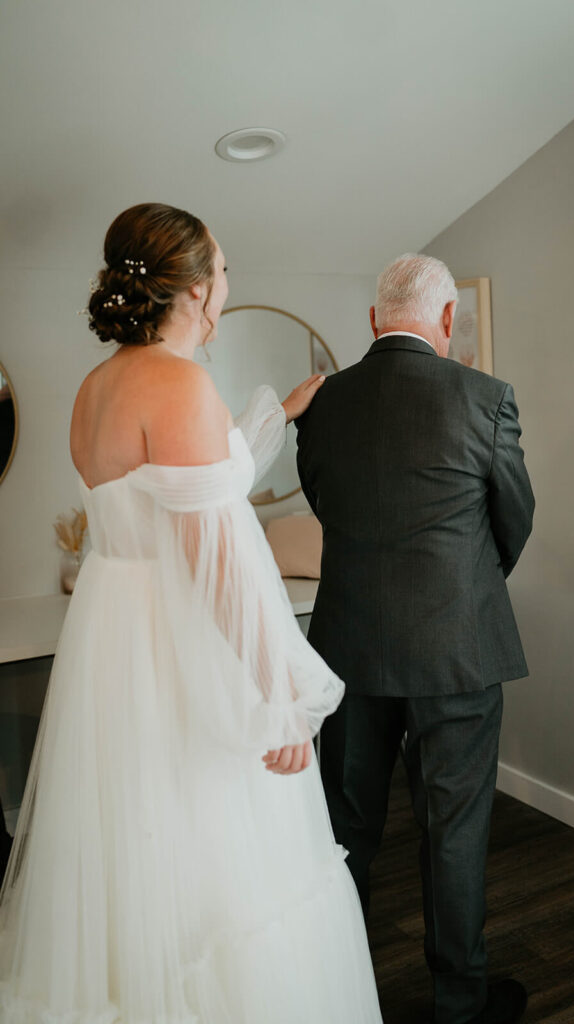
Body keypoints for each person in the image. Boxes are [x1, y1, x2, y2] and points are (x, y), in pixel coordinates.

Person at [0, 203, 382, 1023]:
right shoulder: (177, 384)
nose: (227, 283)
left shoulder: (96, 386)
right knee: (219, 853)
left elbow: (193, 488)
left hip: (116, 638)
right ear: (198, 290)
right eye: (226, 268)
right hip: (179, 643)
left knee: (140, 843)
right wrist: (277, 693)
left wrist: (277, 412)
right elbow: (215, 560)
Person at [296, 254, 535, 1024]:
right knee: (454, 831)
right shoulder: (484, 398)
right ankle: (459, 1005)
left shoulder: (325, 404)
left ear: (373, 320)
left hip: (350, 651)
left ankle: (343, 990)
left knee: (348, 829)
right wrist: (461, 583)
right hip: (456, 653)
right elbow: (514, 518)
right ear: (446, 320)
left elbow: (326, 503)